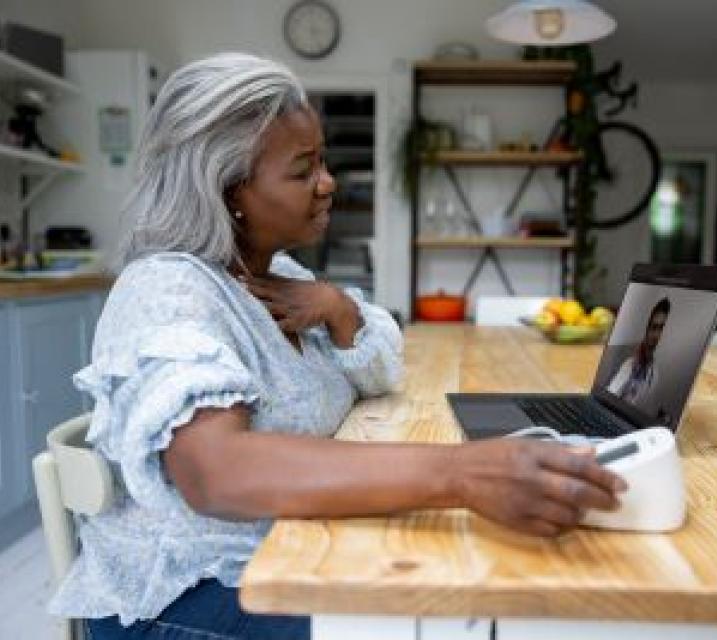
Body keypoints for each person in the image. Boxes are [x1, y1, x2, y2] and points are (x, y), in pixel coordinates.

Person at [49, 53, 626, 640]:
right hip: (191, 599)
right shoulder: (169, 289)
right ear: (228, 190)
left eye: (321, 161)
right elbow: (216, 474)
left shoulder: (275, 273)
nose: (327, 184)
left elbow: (379, 370)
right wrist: (463, 474)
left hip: (283, 554)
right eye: (302, 171)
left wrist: (338, 306)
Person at [606, 298, 670, 412]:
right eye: (654, 327)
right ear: (647, 329)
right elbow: (610, 392)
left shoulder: (656, 375)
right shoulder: (628, 360)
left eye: (662, 328)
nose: (656, 335)